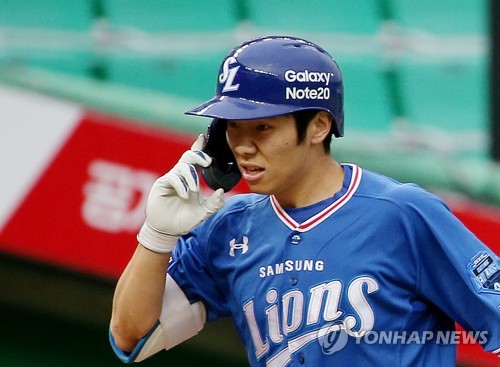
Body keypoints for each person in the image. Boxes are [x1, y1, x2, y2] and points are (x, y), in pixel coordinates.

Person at [109, 36, 500, 366]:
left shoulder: (403, 214)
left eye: (262, 127)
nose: (243, 146)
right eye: (232, 127)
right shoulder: (227, 229)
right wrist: (157, 235)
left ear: (318, 126)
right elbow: (132, 338)